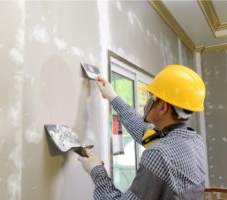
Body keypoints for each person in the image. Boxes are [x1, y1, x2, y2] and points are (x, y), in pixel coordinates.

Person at [78, 64, 206, 200]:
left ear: (163, 107)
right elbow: (143, 130)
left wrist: (96, 170)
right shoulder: (195, 141)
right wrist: (113, 97)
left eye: (151, 97)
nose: (146, 101)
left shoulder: (158, 153)